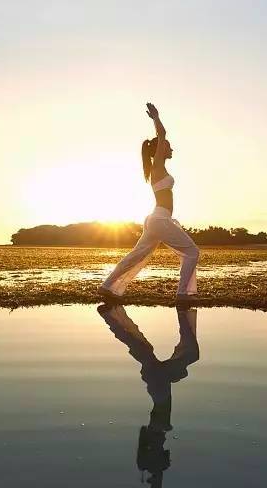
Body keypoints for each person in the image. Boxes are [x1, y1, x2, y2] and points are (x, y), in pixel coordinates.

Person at [98, 103, 200, 303]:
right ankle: (182, 294)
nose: (171, 149)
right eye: (168, 146)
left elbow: (162, 139)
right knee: (193, 252)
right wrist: (156, 118)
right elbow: (162, 134)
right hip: (160, 219)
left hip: (156, 219)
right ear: (160, 150)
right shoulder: (158, 166)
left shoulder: (158, 169)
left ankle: (106, 286)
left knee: (136, 255)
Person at [97, 304, 200, 488]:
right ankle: (111, 316)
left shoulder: (151, 456)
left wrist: (156, 477)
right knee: (147, 349)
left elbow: (157, 460)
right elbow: (155, 453)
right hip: (158, 387)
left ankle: (110, 316)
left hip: (158, 387)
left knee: (145, 348)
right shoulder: (151, 455)